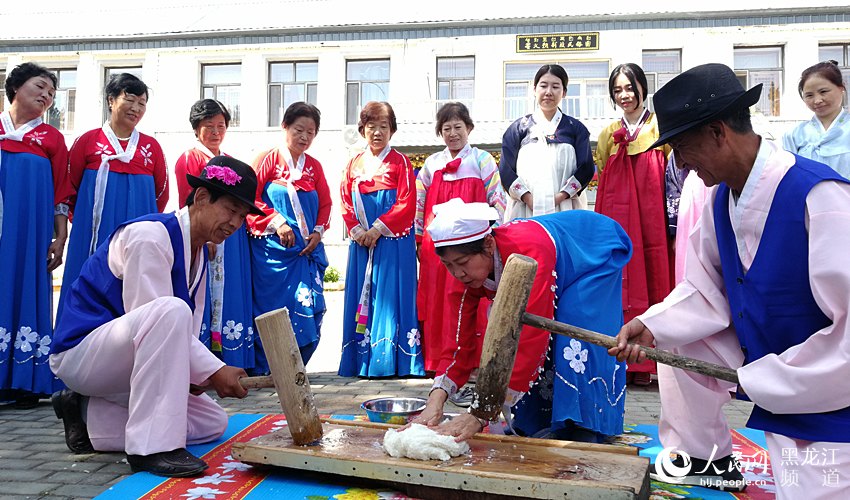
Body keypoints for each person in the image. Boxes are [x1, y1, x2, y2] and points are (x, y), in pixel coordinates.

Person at [610, 63, 850, 496]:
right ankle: (705, 458)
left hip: (828, 385)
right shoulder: (720, 200)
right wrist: (652, 324)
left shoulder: (820, 196)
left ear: (718, 132)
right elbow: (705, 290)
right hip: (766, 354)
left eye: (682, 148)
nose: (680, 164)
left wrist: (772, 379)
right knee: (677, 339)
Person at [50, 156, 261, 477]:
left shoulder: (199, 251)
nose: (235, 223)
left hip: (126, 357)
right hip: (82, 353)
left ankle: (86, 416)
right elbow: (155, 316)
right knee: (169, 309)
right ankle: (152, 447)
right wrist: (214, 371)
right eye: (231, 210)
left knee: (212, 421)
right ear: (202, 197)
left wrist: (195, 375)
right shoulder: (150, 236)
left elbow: (181, 333)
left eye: (242, 216)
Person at [415, 198, 631, 442]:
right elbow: (457, 343)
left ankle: (586, 426)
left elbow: (531, 335)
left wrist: (481, 413)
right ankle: (540, 421)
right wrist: (435, 400)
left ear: (488, 244)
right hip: (565, 252)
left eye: (463, 263)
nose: (457, 273)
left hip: (594, 249)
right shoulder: (463, 275)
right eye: (448, 265)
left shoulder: (530, 252)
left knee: (572, 331)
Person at [59, 73, 168, 316]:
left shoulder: (151, 147)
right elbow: (70, 188)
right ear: (111, 100)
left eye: (142, 103)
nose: (136, 108)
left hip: (136, 230)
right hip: (91, 232)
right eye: (130, 100)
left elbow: (160, 194)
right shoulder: (87, 141)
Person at [594, 63, 674, 386]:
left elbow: (673, 176)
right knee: (617, 283)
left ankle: (650, 363)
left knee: (655, 278)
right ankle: (618, 358)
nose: (624, 95)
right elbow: (601, 174)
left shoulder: (659, 128)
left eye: (630, 87)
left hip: (651, 222)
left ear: (643, 88)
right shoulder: (607, 134)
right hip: (617, 221)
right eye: (618, 90)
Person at [415, 102, 506, 378]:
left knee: (471, 296)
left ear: (469, 128)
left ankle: (473, 361)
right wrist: (419, 238)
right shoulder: (431, 164)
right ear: (439, 132)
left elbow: (497, 199)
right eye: (446, 128)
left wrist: (495, 234)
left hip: (472, 245)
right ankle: (437, 361)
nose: (452, 133)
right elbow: (420, 203)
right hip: (438, 246)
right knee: (438, 300)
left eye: (458, 127)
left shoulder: (482, 160)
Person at [0, 63, 72, 408]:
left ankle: (26, 381)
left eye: (51, 93)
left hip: (31, 235)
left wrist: (60, 237)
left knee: (26, 290)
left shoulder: (52, 139)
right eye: (39, 86)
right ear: (14, 87)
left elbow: (60, 194)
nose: (46, 95)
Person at [339, 101, 424, 378]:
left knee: (391, 296)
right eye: (371, 126)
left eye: (383, 127)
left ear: (392, 130)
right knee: (365, 295)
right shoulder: (353, 163)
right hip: (362, 242)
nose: (377, 132)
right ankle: (360, 359)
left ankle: (393, 360)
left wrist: (376, 229)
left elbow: (406, 203)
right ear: (363, 130)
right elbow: (344, 199)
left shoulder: (400, 162)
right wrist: (357, 231)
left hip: (391, 242)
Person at [247, 102, 331, 368]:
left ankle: (297, 365)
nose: (304, 137)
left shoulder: (314, 167)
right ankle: (268, 366)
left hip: (305, 254)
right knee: (273, 308)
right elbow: (249, 197)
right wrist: (276, 221)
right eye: (299, 130)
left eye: (311, 132)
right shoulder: (266, 159)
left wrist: (318, 232)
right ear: (284, 126)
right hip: (271, 254)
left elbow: (326, 204)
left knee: (308, 306)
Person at [174, 99, 255, 369]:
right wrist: (203, 237)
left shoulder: (230, 162)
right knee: (203, 290)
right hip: (206, 235)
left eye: (221, 126)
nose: (216, 132)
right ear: (197, 129)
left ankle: (233, 355)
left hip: (232, 242)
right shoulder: (190, 157)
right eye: (209, 126)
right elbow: (187, 200)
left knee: (230, 290)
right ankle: (204, 357)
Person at [500, 64, 595, 220]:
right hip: (525, 209)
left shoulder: (576, 129)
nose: (548, 92)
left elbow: (586, 168)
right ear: (534, 89)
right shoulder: (517, 129)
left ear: (564, 92)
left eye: (555, 87)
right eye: (543, 85)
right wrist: (528, 198)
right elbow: (506, 170)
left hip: (566, 207)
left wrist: (561, 197)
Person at [783, 60, 849, 179]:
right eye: (809, 95)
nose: (817, 100)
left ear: (841, 88)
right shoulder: (794, 135)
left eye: (823, 92)